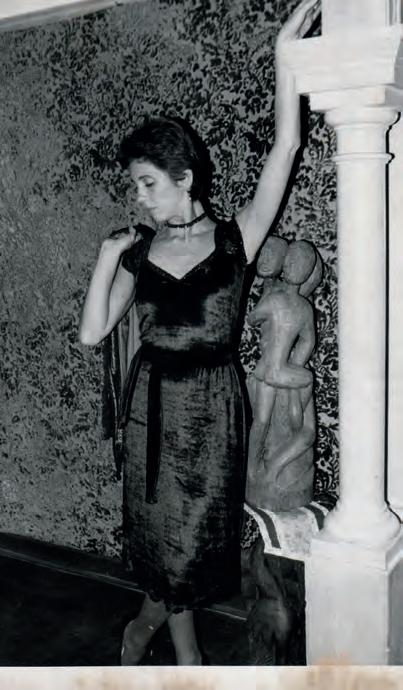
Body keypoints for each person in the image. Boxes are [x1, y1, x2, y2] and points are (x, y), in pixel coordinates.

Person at [79, 0, 320, 666]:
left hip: (213, 411)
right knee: (164, 543)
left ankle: (144, 631)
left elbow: (286, 148)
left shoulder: (238, 239)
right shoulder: (138, 252)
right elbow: (93, 333)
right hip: (151, 411)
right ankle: (185, 660)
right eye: (136, 186)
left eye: (148, 184)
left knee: (191, 545)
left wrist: (284, 56)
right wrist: (105, 258)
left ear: (183, 179)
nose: (140, 198)